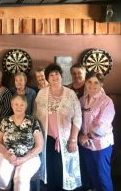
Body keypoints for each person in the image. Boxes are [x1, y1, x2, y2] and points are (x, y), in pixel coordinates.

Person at [34, 63, 82, 191]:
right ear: (47, 78)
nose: (54, 77)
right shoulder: (41, 94)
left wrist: (73, 139)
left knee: (64, 170)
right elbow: (35, 116)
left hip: (65, 139)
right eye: (51, 75)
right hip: (46, 139)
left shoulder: (70, 94)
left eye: (57, 74)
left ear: (61, 76)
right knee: (50, 170)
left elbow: (78, 117)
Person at [0, 95, 43, 191]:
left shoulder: (33, 122)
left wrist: (24, 159)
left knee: (21, 178)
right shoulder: (5, 121)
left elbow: (39, 146)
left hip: (29, 157)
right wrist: (6, 154)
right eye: (16, 104)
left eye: (22, 105)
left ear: (26, 106)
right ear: (12, 105)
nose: (18, 107)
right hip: (8, 154)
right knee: (1, 175)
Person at [79, 72, 115, 191]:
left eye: (96, 83)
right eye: (89, 82)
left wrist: (87, 136)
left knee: (102, 176)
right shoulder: (82, 100)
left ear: (101, 84)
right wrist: (79, 136)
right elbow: (77, 119)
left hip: (101, 146)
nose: (92, 85)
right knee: (92, 174)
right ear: (85, 82)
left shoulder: (106, 101)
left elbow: (103, 126)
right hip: (86, 145)